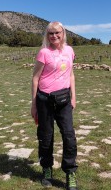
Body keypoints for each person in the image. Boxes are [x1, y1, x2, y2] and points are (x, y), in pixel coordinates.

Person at [31, 21, 78, 189]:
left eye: (57, 32)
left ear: (63, 33)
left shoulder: (70, 51)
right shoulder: (44, 53)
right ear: (47, 35)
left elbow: (71, 75)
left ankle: (70, 172)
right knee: (46, 136)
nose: (54, 36)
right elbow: (35, 78)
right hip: (44, 100)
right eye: (51, 33)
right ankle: (46, 169)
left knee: (69, 135)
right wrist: (34, 104)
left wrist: (74, 96)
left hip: (64, 100)